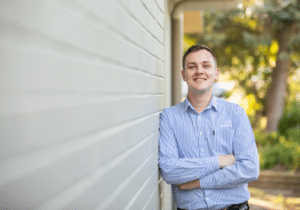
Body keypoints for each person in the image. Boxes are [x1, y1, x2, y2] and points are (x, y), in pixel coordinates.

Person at [158, 44, 259, 210]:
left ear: (216, 73)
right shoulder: (169, 118)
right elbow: (169, 171)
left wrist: (197, 182)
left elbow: (250, 168)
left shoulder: (235, 114)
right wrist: (219, 161)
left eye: (206, 65)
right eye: (192, 67)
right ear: (183, 75)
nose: (199, 71)